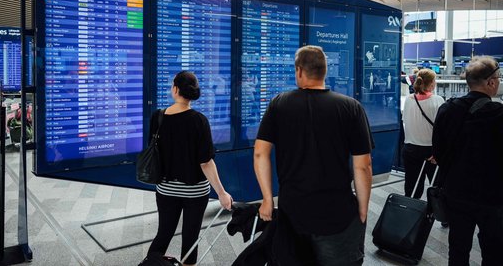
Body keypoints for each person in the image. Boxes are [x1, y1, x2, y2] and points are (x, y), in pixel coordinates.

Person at [253, 45, 373, 265]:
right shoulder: (351, 108)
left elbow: (261, 153)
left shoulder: (279, 104)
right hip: (338, 216)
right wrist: (363, 209)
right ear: (324, 71)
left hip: (293, 216)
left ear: (299, 71)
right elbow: (363, 165)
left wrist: (268, 200)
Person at [147, 71, 233, 266]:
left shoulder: (158, 117)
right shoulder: (199, 121)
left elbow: (154, 150)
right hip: (195, 191)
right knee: (190, 236)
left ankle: (149, 263)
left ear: (176, 89)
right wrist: (221, 193)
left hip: (166, 189)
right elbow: (206, 162)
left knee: (164, 232)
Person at [432, 56, 503, 265]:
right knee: (494, 250)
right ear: (490, 82)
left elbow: (438, 150)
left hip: (456, 192)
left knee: (458, 247)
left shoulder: (447, 109)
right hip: (493, 197)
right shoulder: (499, 115)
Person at [401, 68, 444, 198]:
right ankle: (434, 213)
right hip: (431, 153)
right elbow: (442, 129)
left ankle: (412, 214)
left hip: (410, 150)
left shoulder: (409, 100)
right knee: (437, 188)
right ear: (431, 83)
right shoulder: (438, 100)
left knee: (412, 188)